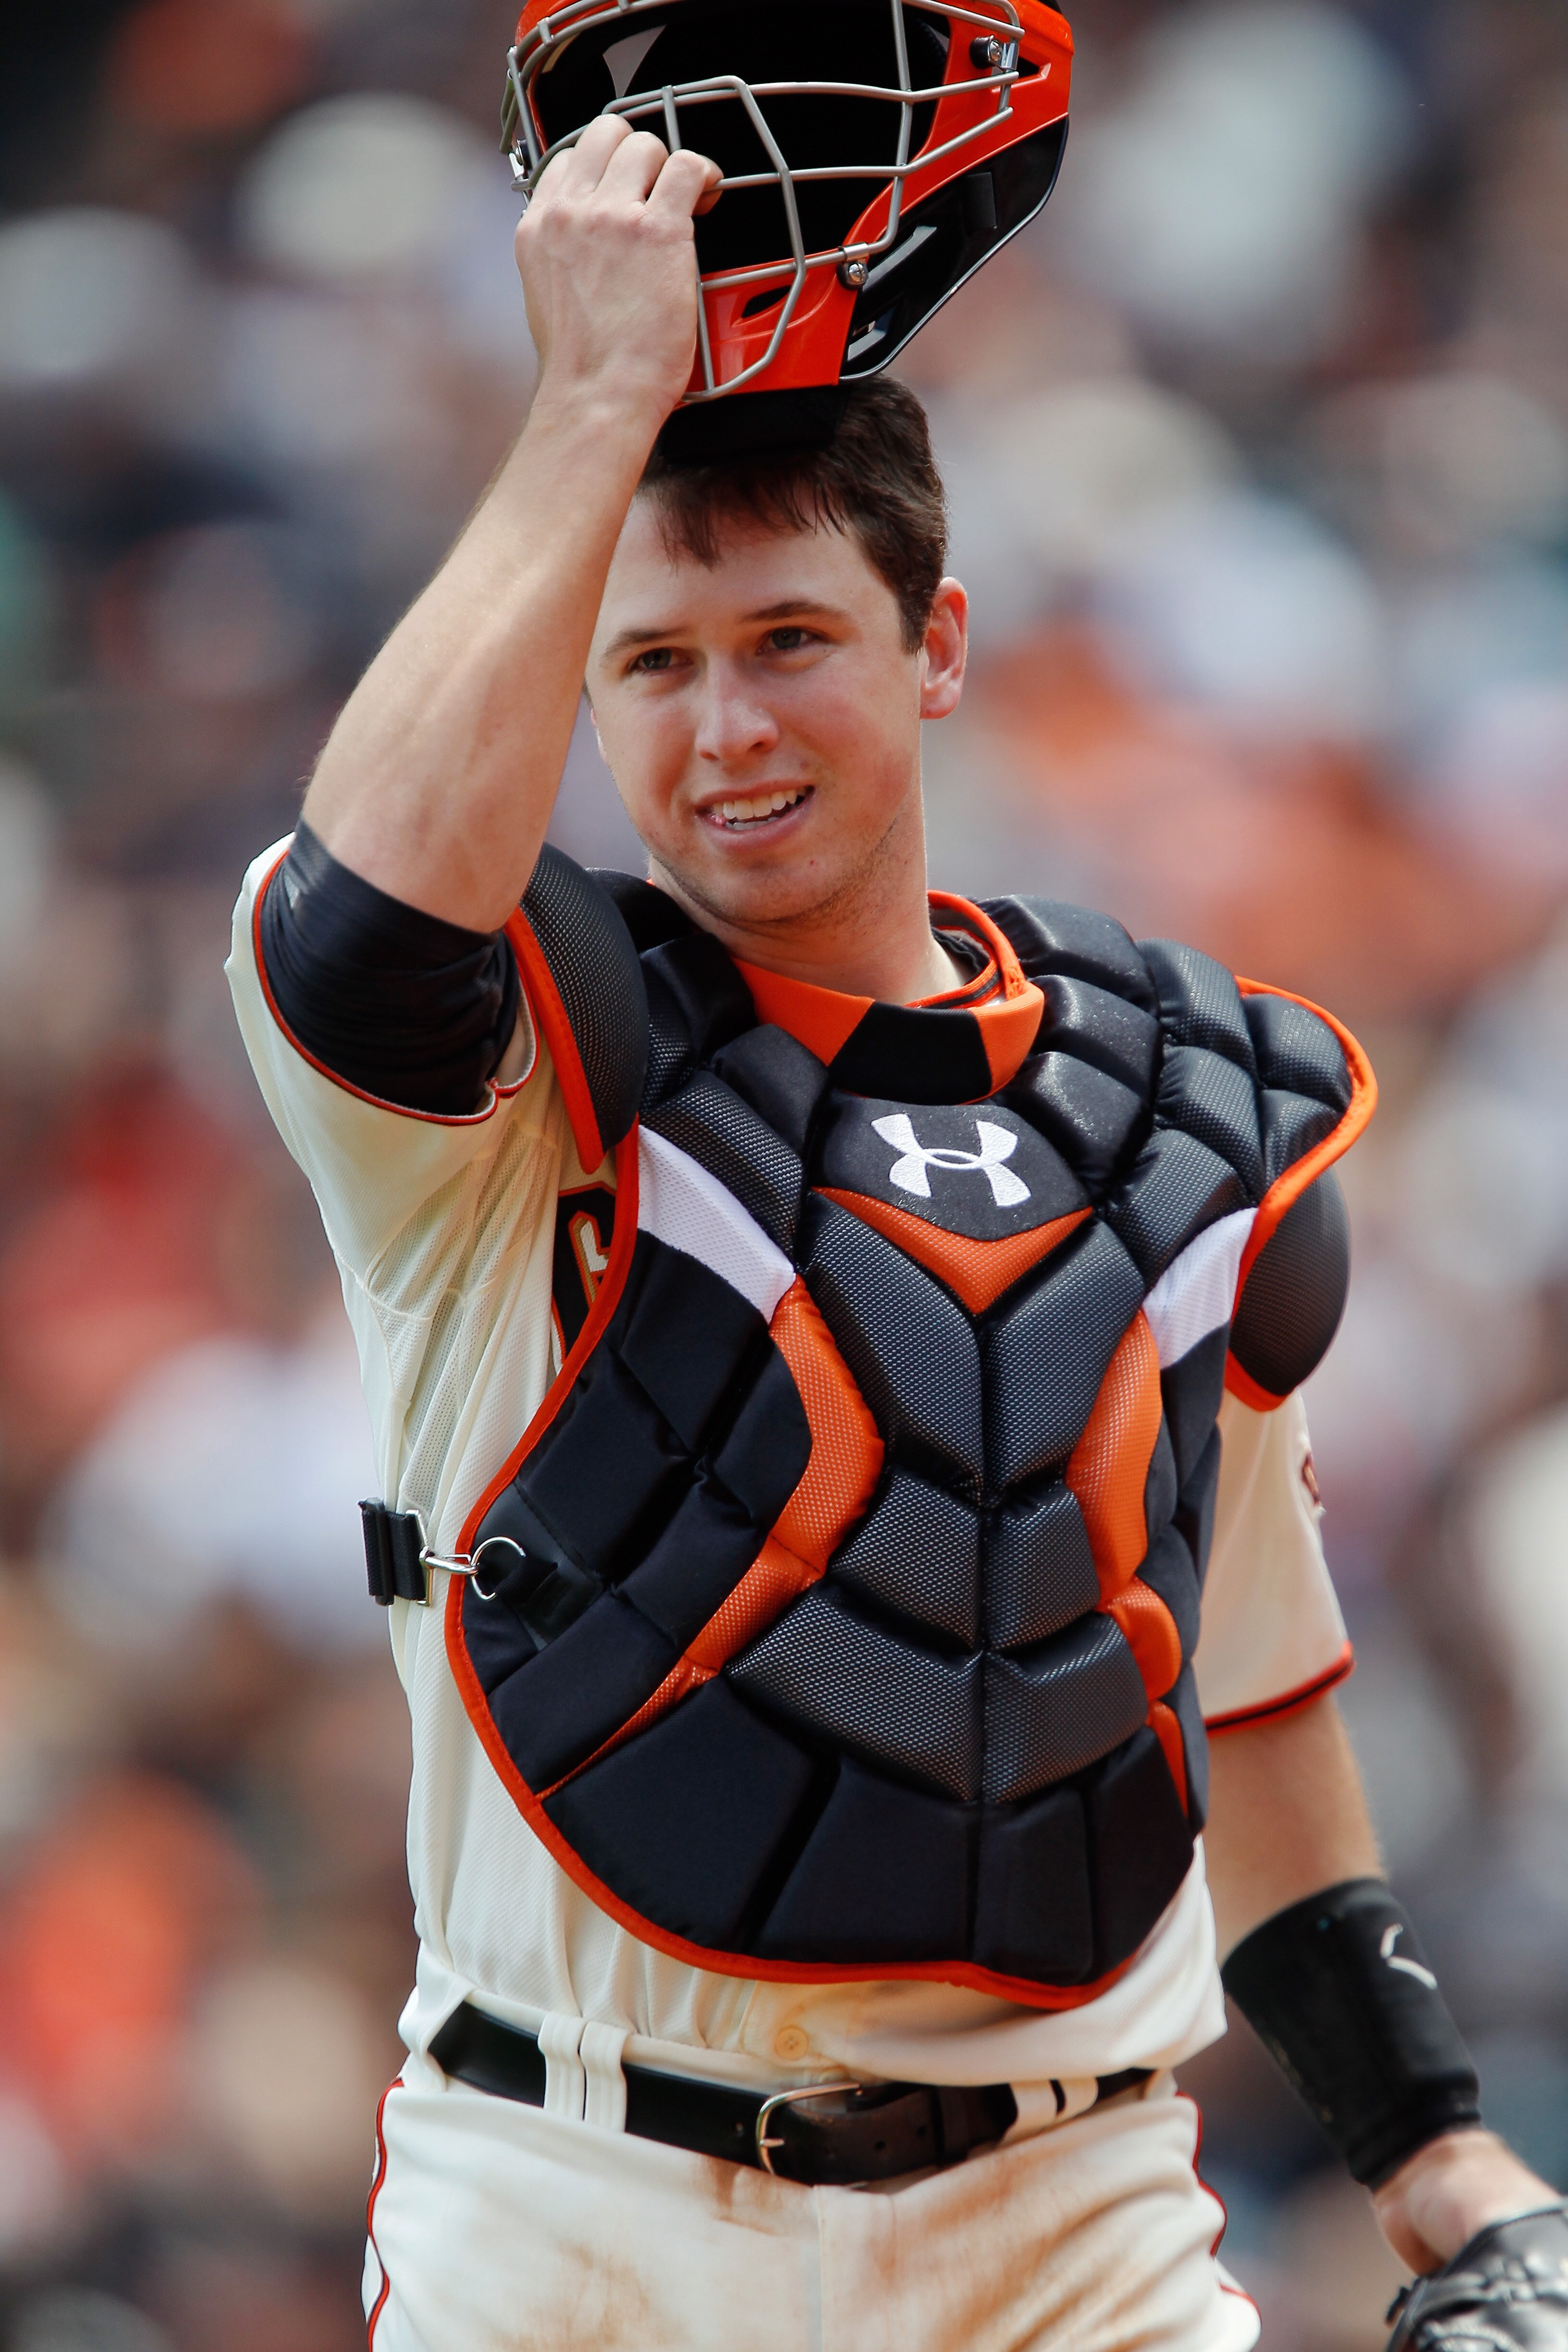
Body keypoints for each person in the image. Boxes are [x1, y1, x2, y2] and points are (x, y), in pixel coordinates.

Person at [227, 21, 1559, 2350]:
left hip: (1074, 2225)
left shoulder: (1182, 1103)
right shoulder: (517, 1058)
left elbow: (1238, 1683)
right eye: (652, 663)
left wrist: (1436, 2156)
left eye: (789, 642)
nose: (727, 727)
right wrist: (590, 406)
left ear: (935, 646)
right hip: (580, 2208)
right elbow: (362, 928)